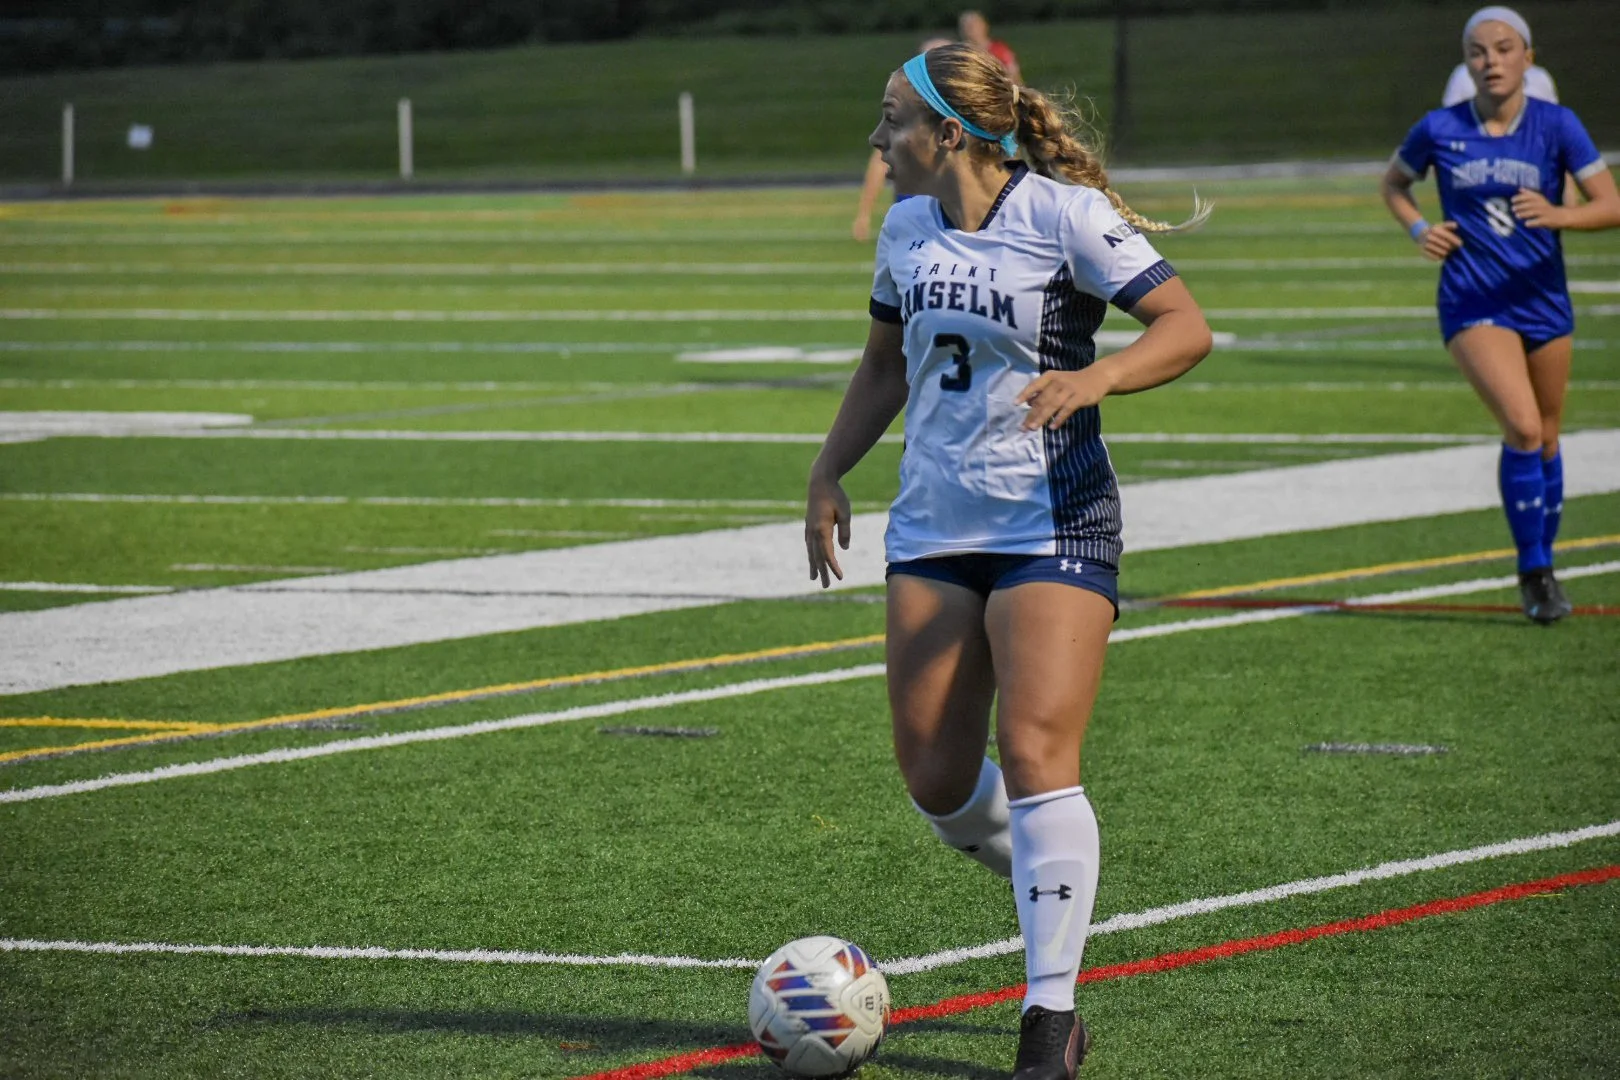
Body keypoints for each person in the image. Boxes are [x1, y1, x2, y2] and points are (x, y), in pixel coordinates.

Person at [805, 43, 1211, 1080]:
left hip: (1052, 522)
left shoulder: (1064, 215)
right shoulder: (905, 229)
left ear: (950, 133)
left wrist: (1103, 377)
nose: (876, 138)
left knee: (1035, 753)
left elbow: (1185, 326)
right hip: (933, 529)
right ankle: (1051, 880)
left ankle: (1049, 1014)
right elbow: (883, 366)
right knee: (937, 780)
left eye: (892, 118)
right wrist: (827, 472)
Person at [1380, 5, 1620, 624]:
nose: (1491, 61)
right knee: (1522, 425)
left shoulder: (1557, 125)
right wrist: (1418, 230)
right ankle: (1534, 570)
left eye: (1504, 49)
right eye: (1479, 51)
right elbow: (1394, 184)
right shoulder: (1438, 128)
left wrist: (1560, 214)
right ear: (1467, 62)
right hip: (1473, 297)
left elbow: (1609, 204)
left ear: (1527, 58)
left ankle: (1546, 562)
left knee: (1547, 430)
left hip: (1543, 296)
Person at [854, 37, 955, 242]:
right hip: (915, 210)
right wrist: (864, 213)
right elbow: (880, 159)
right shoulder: (906, 107)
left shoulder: (968, 111)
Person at [959, 10, 1022, 84]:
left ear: (984, 26)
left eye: (974, 25)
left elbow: (1014, 75)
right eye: (966, 26)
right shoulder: (960, 53)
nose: (970, 29)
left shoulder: (999, 49)